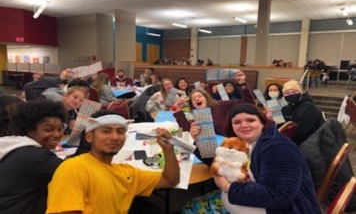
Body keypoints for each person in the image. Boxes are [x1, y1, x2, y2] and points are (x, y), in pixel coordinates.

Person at [181, 103, 322, 214]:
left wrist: (227, 186)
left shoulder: (277, 147)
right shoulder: (247, 144)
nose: (244, 125)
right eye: (237, 122)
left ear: (262, 122)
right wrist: (195, 141)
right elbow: (218, 162)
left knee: (190, 209)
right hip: (250, 204)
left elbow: (279, 196)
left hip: (287, 210)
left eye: (250, 120)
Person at [46, 110, 180, 214]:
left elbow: (170, 180)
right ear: (89, 137)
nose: (115, 137)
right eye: (106, 131)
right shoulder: (73, 168)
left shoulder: (127, 173)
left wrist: (168, 150)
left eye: (120, 131)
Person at [0, 100, 66, 214]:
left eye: (60, 129)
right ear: (30, 130)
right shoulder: (37, 158)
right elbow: (77, 172)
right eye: (48, 130)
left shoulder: (14, 147)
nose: (56, 134)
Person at [281, 79, 324, 146]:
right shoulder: (286, 108)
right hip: (290, 140)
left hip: (308, 143)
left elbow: (302, 131)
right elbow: (281, 125)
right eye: (287, 93)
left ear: (300, 93)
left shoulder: (309, 106)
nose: (291, 95)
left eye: (294, 92)